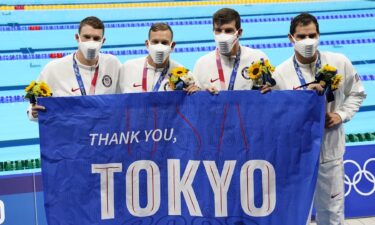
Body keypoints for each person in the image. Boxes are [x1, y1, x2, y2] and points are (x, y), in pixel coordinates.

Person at [273, 13, 366, 225]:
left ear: (319, 35)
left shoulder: (339, 62)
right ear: (291, 38)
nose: (308, 41)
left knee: (332, 215)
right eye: (301, 36)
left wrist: (340, 115)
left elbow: (357, 93)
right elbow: (277, 117)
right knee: (296, 216)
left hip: (329, 153)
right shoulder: (280, 74)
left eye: (312, 35)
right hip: (296, 157)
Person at [28, 16, 121, 120]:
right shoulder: (53, 68)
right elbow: (33, 108)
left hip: (101, 133)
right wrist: (33, 112)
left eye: (96, 38)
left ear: (103, 41)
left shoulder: (113, 64)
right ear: (77, 38)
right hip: (70, 133)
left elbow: (123, 101)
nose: (91, 42)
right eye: (86, 37)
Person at [193, 8, 271, 93]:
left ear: (239, 32)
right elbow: (197, 102)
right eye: (218, 30)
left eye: (228, 31)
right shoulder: (201, 65)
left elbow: (272, 93)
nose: (222, 36)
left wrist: (270, 89)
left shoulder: (258, 58)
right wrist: (202, 94)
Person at [119, 22, 197, 93]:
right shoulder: (128, 68)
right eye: (155, 42)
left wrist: (195, 93)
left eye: (164, 42)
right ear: (147, 44)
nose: (159, 46)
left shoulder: (184, 75)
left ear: (172, 46)